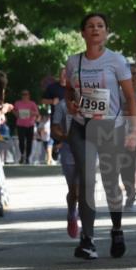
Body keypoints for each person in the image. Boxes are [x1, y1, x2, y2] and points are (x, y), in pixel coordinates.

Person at [64, 12, 136, 260]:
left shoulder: (117, 61)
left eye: (100, 26)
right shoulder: (73, 61)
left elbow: (129, 98)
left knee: (110, 181)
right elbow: (68, 92)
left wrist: (134, 129)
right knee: (86, 179)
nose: (95, 29)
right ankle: (88, 239)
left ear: (106, 32)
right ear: (82, 33)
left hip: (110, 128)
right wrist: (72, 105)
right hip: (81, 127)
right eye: (90, 26)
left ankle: (117, 229)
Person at [51, 96, 80, 238]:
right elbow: (54, 129)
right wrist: (65, 137)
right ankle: (72, 214)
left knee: (84, 188)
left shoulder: (93, 100)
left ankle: (87, 231)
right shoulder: (62, 105)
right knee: (74, 190)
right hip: (68, 149)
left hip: (87, 148)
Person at [122, 62, 136, 208]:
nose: (132, 76)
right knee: (126, 168)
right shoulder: (120, 93)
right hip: (124, 135)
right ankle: (130, 193)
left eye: (135, 73)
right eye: (129, 74)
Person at [14, 90, 40, 164]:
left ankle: (28, 157)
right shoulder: (17, 103)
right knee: (21, 141)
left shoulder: (32, 103)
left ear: (29, 95)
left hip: (30, 125)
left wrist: (32, 113)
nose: (24, 96)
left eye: (26, 94)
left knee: (29, 142)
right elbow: (14, 111)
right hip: (20, 125)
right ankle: (22, 155)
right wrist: (16, 114)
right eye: (23, 94)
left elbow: (37, 113)